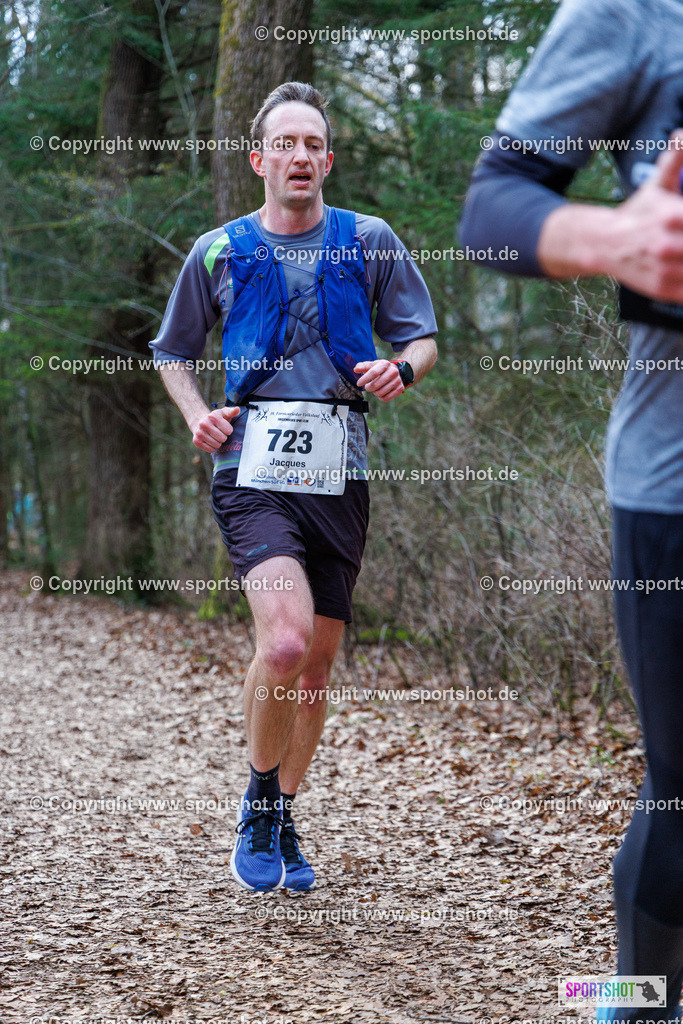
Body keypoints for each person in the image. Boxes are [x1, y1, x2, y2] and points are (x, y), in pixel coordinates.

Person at [151, 82, 437, 893]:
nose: (301, 156)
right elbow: (171, 350)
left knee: (312, 667)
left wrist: (400, 369)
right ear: (259, 160)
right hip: (250, 468)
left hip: (340, 466)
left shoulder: (369, 240)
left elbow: (423, 337)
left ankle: (284, 810)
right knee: (280, 642)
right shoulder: (218, 249)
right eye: (286, 144)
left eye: (313, 144)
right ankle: (257, 804)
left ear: (327, 160)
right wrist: (196, 413)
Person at [460, 0, 683, 1020]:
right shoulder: (632, 15)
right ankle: (625, 999)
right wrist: (613, 237)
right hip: (670, 484)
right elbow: (490, 207)